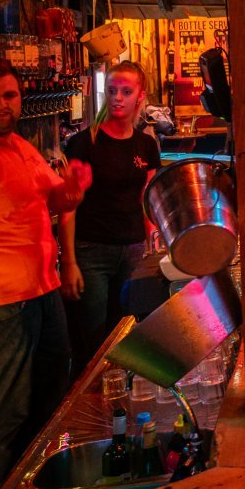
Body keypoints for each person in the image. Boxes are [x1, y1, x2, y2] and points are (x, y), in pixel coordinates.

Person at [0, 57, 93, 479]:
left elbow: (55, 201)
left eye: (8, 95)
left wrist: (73, 189)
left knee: (47, 401)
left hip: (42, 292)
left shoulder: (18, 146)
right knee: (2, 416)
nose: (0, 105)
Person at [60, 61, 161, 372]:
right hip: (92, 250)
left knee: (126, 331)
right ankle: (87, 397)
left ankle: (119, 394)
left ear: (140, 96)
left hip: (132, 249)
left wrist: (152, 241)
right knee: (91, 339)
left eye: (126, 92)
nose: (118, 97)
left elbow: (147, 198)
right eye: (112, 90)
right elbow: (68, 205)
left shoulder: (146, 145)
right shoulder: (84, 143)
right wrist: (69, 262)